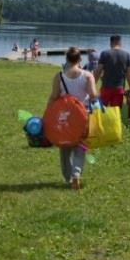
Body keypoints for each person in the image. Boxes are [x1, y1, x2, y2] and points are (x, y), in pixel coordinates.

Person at [47, 47, 98, 190]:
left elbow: (54, 96)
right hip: (83, 116)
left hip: (65, 118)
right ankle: (76, 174)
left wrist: (47, 112)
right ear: (80, 59)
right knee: (81, 147)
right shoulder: (88, 76)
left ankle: (68, 177)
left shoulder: (59, 77)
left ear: (67, 59)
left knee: (64, 147)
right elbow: (93, 95)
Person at [94, 35, 130, 108]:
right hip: (119, 88)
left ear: (110, 43)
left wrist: (93, 84)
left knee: (102, 110)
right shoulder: (127, 55)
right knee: (116, 111)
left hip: (106, 88)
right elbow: (129, 75)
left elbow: (98, 71)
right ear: (120, 42)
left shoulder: (105, 53)